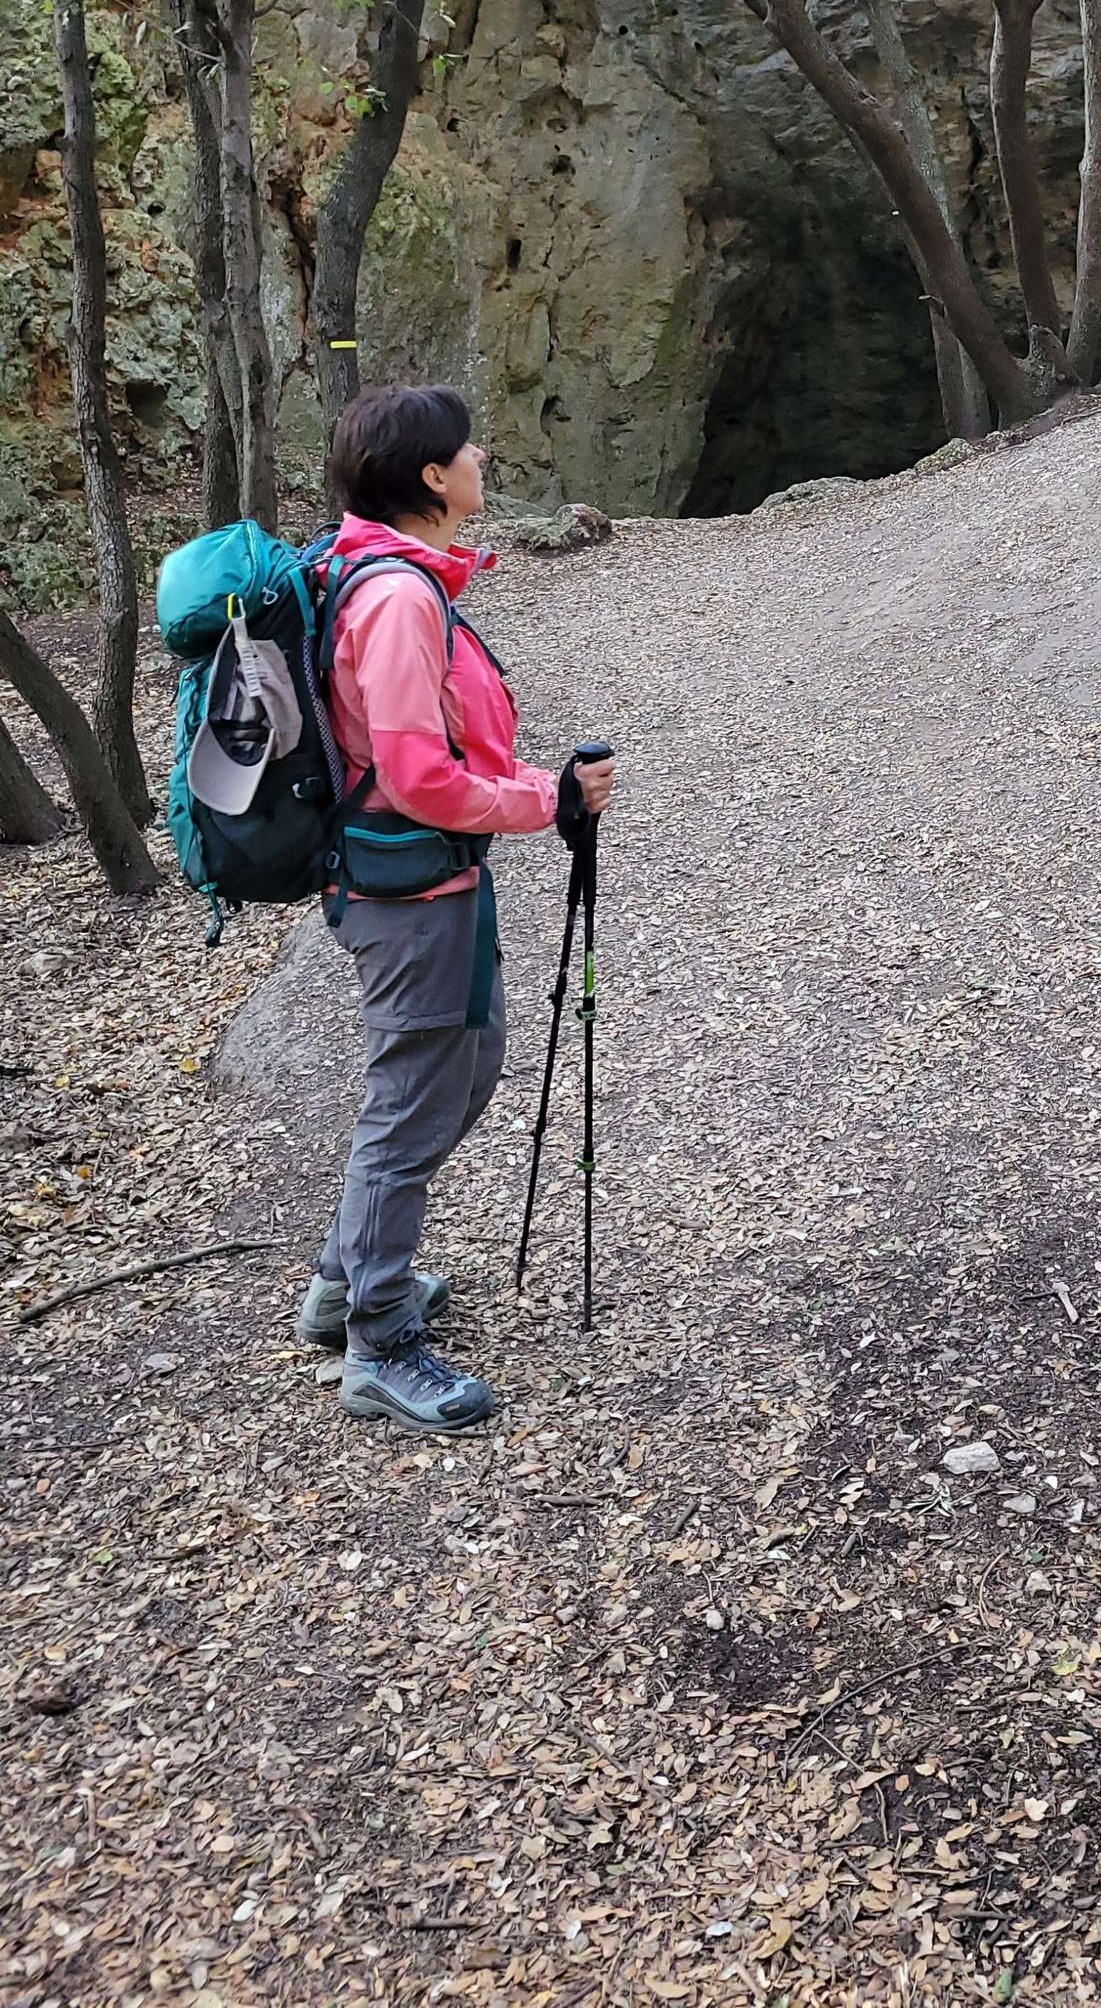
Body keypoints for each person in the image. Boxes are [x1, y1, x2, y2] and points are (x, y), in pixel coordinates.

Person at [296, 382, 615, 1434]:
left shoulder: (388, 574)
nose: (481, 458)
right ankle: (379, 1343)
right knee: (411, 1108)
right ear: (431, 476)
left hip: (431, 881)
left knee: (464, 1070)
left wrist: (534, 789)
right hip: (409, 891)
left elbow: (445, 752)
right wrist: (545, 801)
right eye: (465, 449)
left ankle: (345, 1285)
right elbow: (418, 776)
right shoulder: (396, 597)